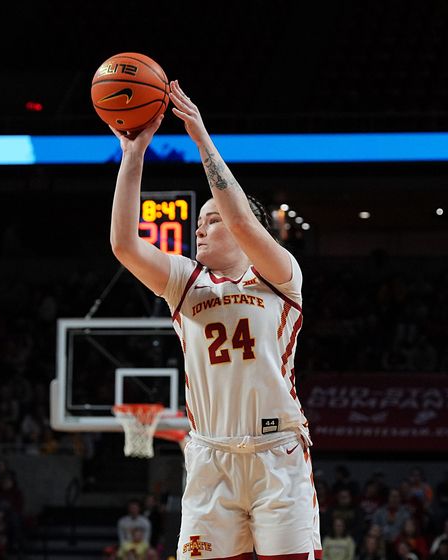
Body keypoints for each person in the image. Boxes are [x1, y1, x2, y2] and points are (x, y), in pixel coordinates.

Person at [108, 80, 320, 559]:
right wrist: (133, 155)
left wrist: (200, 137)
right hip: (210, 456)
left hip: (278, 455)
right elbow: (124, 245)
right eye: (199, 224)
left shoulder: (280, 275)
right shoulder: (185, 280)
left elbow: (243, 221)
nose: (201, 228)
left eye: (212, 220)